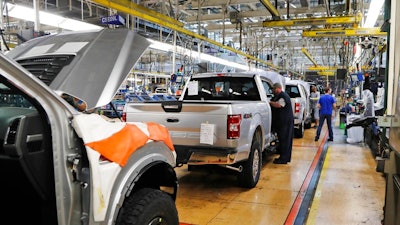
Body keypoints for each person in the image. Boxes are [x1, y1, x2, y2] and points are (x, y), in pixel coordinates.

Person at [269, 83, 294, 164]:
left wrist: (269, 102)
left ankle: (284, 159)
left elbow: (278, 105)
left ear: (278, 88)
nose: (272, 91)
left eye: (273, 89)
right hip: (282, 123)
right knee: (282, 140)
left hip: (285, 123)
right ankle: (283, 156)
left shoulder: (283, 96)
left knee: (285, 140)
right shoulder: (279, 95)